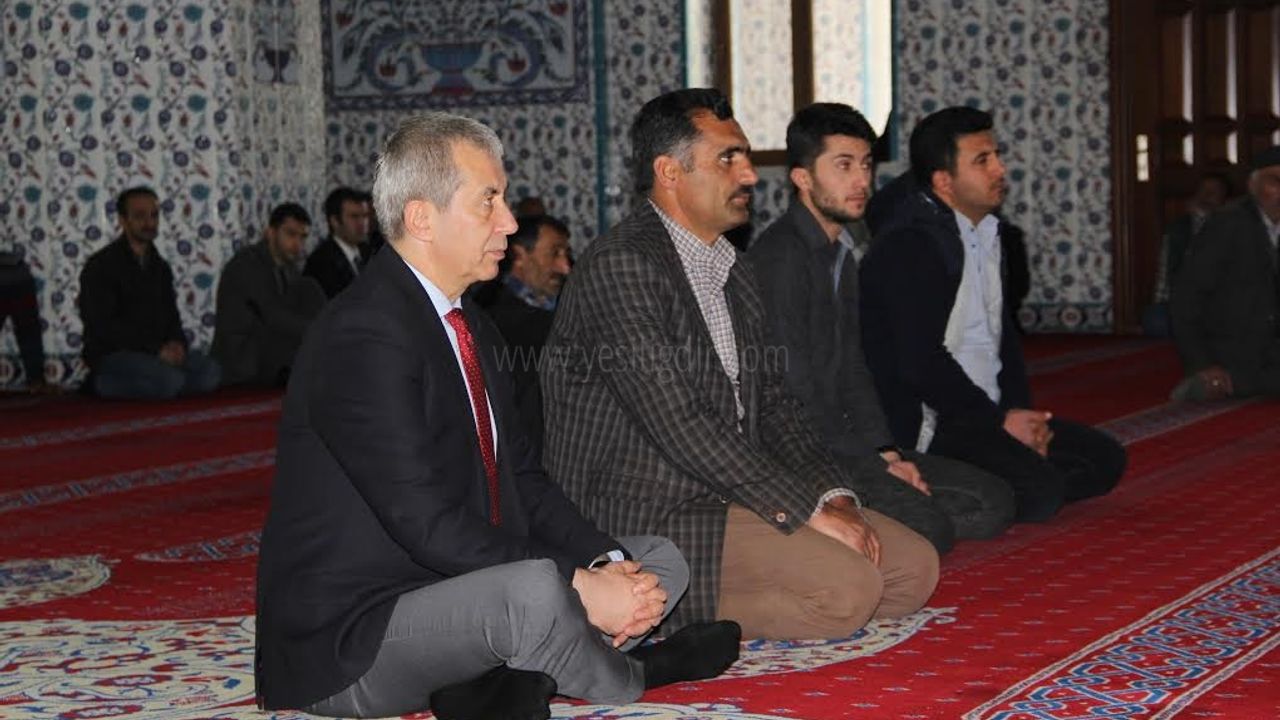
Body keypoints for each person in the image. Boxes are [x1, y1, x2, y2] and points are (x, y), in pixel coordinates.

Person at [255, 112, 740, 720]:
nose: (508, 222)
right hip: (356, 630)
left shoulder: (470, 324)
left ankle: (496, 684)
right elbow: (424, 524)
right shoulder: (362, 334)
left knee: (658, 560)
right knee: (534, 590)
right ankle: (639, 672)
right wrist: (577, 586)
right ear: (421, 218)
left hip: (458, 590)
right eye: (489, 201)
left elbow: (525, 483)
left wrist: (606, 564)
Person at [541, 88, 938, 641]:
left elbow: (776, 405)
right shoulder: (622, 266)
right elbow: (680, 423)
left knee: (913, 570)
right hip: (649, 505)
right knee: (850, 592)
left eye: (746, 156)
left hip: (730, 488)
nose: (750, 175)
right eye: (728, 159)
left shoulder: (733, 267)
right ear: (669, 172)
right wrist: (799, 511)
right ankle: (647, 603)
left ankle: (685, 598)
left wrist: (833, 497)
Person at [748, 103, 1014, 554]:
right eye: (843, 166)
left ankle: (871, 515)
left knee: (994, 501)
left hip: (848, 445)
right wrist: (873, 463)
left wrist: (886, 450)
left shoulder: (842, 254)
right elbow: (796, 396)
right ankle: (817, 523)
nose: (861, 181)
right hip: (803, 453)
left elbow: (853, 368)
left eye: (866, 165)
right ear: (802, 178)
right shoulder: (781, 260)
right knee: (931, 528)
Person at [860, 107, 1126, 523]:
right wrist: (998, 422)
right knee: (1041, 494)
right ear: (943, 181)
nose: (1000, 169)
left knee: (1105, 459)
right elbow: (920, 364)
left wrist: (1021, 418)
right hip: (937, 418)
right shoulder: (910, 246)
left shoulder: (987, 231)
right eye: (982, 161)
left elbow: (1003, 340)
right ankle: (935, 485)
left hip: (987, 409)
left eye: (997, 156)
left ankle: (989, 478)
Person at [78, 187, 221, 399]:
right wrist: (154, 350)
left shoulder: (160, 267)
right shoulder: (101, 266)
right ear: (122, 220)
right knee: (169, 380)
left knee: (210, 372)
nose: (149, 222)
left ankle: (156, 384)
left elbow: (171, 317)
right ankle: (101, 383)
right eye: (140, 216)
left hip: (155, 355)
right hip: (115, 353)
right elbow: (103, 327)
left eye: (154, 215)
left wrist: (177, 344)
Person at [1170, 147, 1280, 399]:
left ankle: (1232, 384)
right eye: (1275, 182)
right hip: (1237, 345)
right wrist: (1201, 362)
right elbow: (1187, 296)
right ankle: (1217, 380)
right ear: (1253, 186)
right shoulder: (1228, 224)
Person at [211, 203, 325, 387]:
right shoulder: (247, 264)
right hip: (243, 355)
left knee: (309, 287)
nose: (297, 244)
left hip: (272, 345)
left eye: (302, 237)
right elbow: (273, 315)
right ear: (270, 233)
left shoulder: (289, 267)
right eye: (291, 234)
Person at [485, 213, 573, 444]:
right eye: (554, 253)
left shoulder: (568, 305)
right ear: (520, 255)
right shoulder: (492, 319)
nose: (565, 267)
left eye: (566, 254)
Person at [1144, 172, 1233, 337]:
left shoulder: (1234, 228)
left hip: (1222, 301)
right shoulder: (1178, 230)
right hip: (1185, 300)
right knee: (1156, 321)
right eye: (1203, 191)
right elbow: (1165, 272)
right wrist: (1162, 301)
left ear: (1224, 199)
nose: (1207, 196)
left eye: (1214, 192)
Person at [303, 187, 375, 299]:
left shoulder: (370, 253)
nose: (362, 223)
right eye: (354, 217)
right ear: (335, 221)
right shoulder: (321, 261)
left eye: (365, 216)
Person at [0, 249, 49, 391]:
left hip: (18, 272)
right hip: (17, 272)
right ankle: (36, 380)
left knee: (29, 332)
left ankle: (36, 380)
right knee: (29, 332)